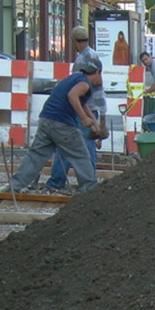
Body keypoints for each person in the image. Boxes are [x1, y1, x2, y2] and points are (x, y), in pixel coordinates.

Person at [0, 60, 103, 194]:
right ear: (97, 72)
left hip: (46, 119)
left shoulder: (74, 78)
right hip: (62, 123)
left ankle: (15, 186)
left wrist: (95, 124)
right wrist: (83, 118)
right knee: (80, 155)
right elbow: (72, 96)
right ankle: (90, 188)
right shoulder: (85, 83)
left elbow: (82, 104)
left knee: (36, 155)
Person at [45, 26, 107, 191]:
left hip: (83, 109)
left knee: (71, 145)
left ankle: (60, 183)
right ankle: (85, 183)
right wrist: (101, 114)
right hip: (88, 109)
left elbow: (80, 91)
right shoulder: (91, 55)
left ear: (73, 41)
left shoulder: (83, 60)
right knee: (82, 146)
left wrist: (87, 115)